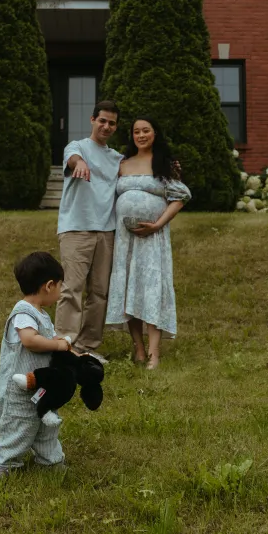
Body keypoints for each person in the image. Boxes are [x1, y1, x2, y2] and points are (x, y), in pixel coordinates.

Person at [105, 117, 191, 370]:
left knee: (150, 290)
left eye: (146, 131)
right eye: (136, 131)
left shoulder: (164, 164)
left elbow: (181, 196)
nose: (141, 135)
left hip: (153, 238)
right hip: (125, 239)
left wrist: (158, 224)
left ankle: (154, 353)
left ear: (155, 133)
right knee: (128, 288)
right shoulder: (122, 164)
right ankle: (139, 350)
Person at [0, 251, 75, 479]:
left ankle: (50, 460)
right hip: (20, 390)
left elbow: (48, 339)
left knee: (47, 426)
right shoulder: (23, 313)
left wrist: (64, 345)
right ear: (49, 286)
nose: (60, 291)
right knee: (18, 425)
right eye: (60, 286)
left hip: (42, 388)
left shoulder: (42, 314)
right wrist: (55, 346)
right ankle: (5, 463)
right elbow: (29, 340)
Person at [56, 100, 123, 361]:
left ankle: (87, 347)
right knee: (71, 289)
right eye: (102, 120)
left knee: (99, 292)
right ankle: (65, 347)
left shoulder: (117, 158)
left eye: (112, 123)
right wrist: (79, 164)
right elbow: (72, 159)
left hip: (106, 231)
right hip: (76, 229)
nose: (106, 126)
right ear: (93, 120)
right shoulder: (78, 147)